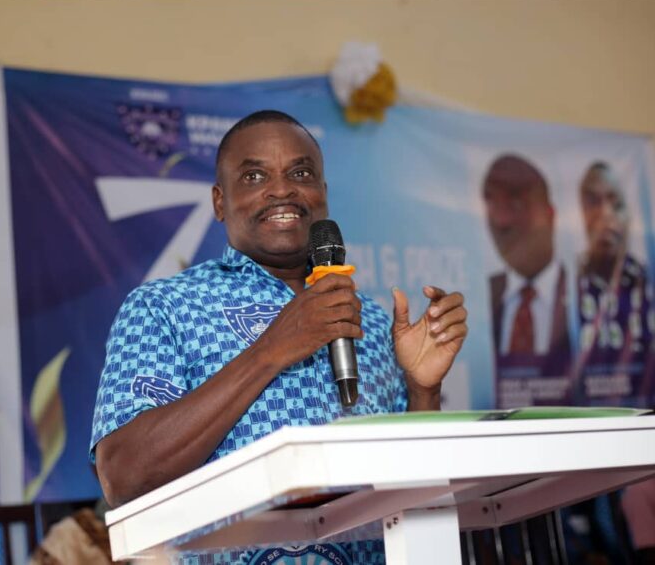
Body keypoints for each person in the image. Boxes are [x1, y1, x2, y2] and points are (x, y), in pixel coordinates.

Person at [90, 110, 468, 564]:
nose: (283, 189)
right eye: (254, 176)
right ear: (220, 202)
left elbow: (416, 488)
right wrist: (272, 350)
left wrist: (423, 390)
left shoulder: (366, 315)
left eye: (301, 173)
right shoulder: (163, 306)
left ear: (323, 193)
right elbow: (124, 477)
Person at [482, 154, 571, 408]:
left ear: (550, 215)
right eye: (492, 204)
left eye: (516, 203)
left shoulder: (582, 297)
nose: (501, 222)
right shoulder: (480, 298)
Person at [574, 161, 653, 406]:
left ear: (629, 216)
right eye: (593, 203)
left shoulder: (648, 284)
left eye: (616, 204)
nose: (606, 215)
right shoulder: (564, 290)